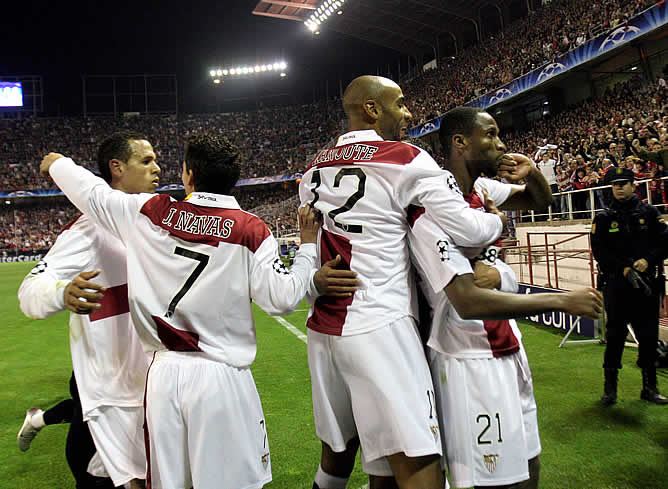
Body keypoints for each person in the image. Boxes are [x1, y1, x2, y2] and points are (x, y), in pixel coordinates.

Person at [40, 132, 346, 489]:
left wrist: (56, 163)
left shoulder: (148, 211)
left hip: (163, 378)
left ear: (188, 175)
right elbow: (282, 299)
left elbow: (91, 192)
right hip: (220, 374)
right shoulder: (250, 228)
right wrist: (308, 248)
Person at [299, 75, 512, 489]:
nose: (409, 112)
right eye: (399, 103)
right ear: (373, 109)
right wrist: (496, 220)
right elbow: (467, 229)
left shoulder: (315, 166)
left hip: (324, 330)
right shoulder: (405, 156)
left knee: (350, 457)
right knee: (419, 460)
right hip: (380, 322)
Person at [408, 106, 602, 489]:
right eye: (491, 134)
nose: (501, 144)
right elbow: (468, 299)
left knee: (529, 467)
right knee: (492, 482)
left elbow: (538, 201)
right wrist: (561, 301)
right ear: (460, 143)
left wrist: (531, 174)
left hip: (509, 348)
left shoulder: (481, 191)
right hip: (467, 359)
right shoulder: (428, 213)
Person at [19, 130, 161, 489]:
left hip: (158, 382)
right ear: (117, 168)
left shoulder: (158, 222)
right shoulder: (86, 232)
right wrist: (62, 292)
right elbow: (29, 290)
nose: (157, 168)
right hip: (111, 391)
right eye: (146, 161)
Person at [591, 167, 668, 406]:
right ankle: (610, 389)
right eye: (615, 184)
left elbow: (666, 242)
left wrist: (649, 261)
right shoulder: (604, 217)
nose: (620, 188)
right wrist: (623, 267)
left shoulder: (650, 212)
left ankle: (650, 387)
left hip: (646, 284)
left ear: (633, 185)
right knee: (615, 335)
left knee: (648, 336)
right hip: (617, 284)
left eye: (624, 183)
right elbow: (600, 251)